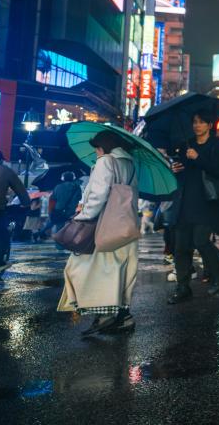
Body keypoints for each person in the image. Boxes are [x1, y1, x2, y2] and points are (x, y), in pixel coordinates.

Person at [57, 130, 139, 335]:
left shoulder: (106, 161)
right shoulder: (130, 164)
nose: (96, 153)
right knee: (121, 270)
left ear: (103, 146)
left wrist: (83, 216)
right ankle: (122, 316)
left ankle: (104, 315)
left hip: (102, 224)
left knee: (86, 268)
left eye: (97, 149)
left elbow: (98, 194)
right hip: (124, 224)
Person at [167, 110, 219, 304]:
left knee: (201, 241)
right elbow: (183, 171)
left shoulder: (218, 145)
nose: (197, 126)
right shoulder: (186, 145)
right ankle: (183, 286)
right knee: (180, 247)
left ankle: (218, 274)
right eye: (195, 122)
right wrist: (175, 169)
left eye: (202, 122)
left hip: (206, 202)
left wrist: (198, 158)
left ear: (210, 125)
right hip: (185, 200)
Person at [0, 150, 31, 278]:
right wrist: (26, 203)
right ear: (1, 159)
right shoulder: (6, 171)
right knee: (0, 234)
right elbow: (20, 189)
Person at [35, 171, 81, 241]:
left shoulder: (58, 186)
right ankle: (61, 243)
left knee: (57, 225)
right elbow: (79, 198)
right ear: (73, 178)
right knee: (66, 225)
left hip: (58, 209)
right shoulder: (77, 187)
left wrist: (51, 209)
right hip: (71, 210)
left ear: (63, 178)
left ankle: (43, 235)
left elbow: (53, 198)